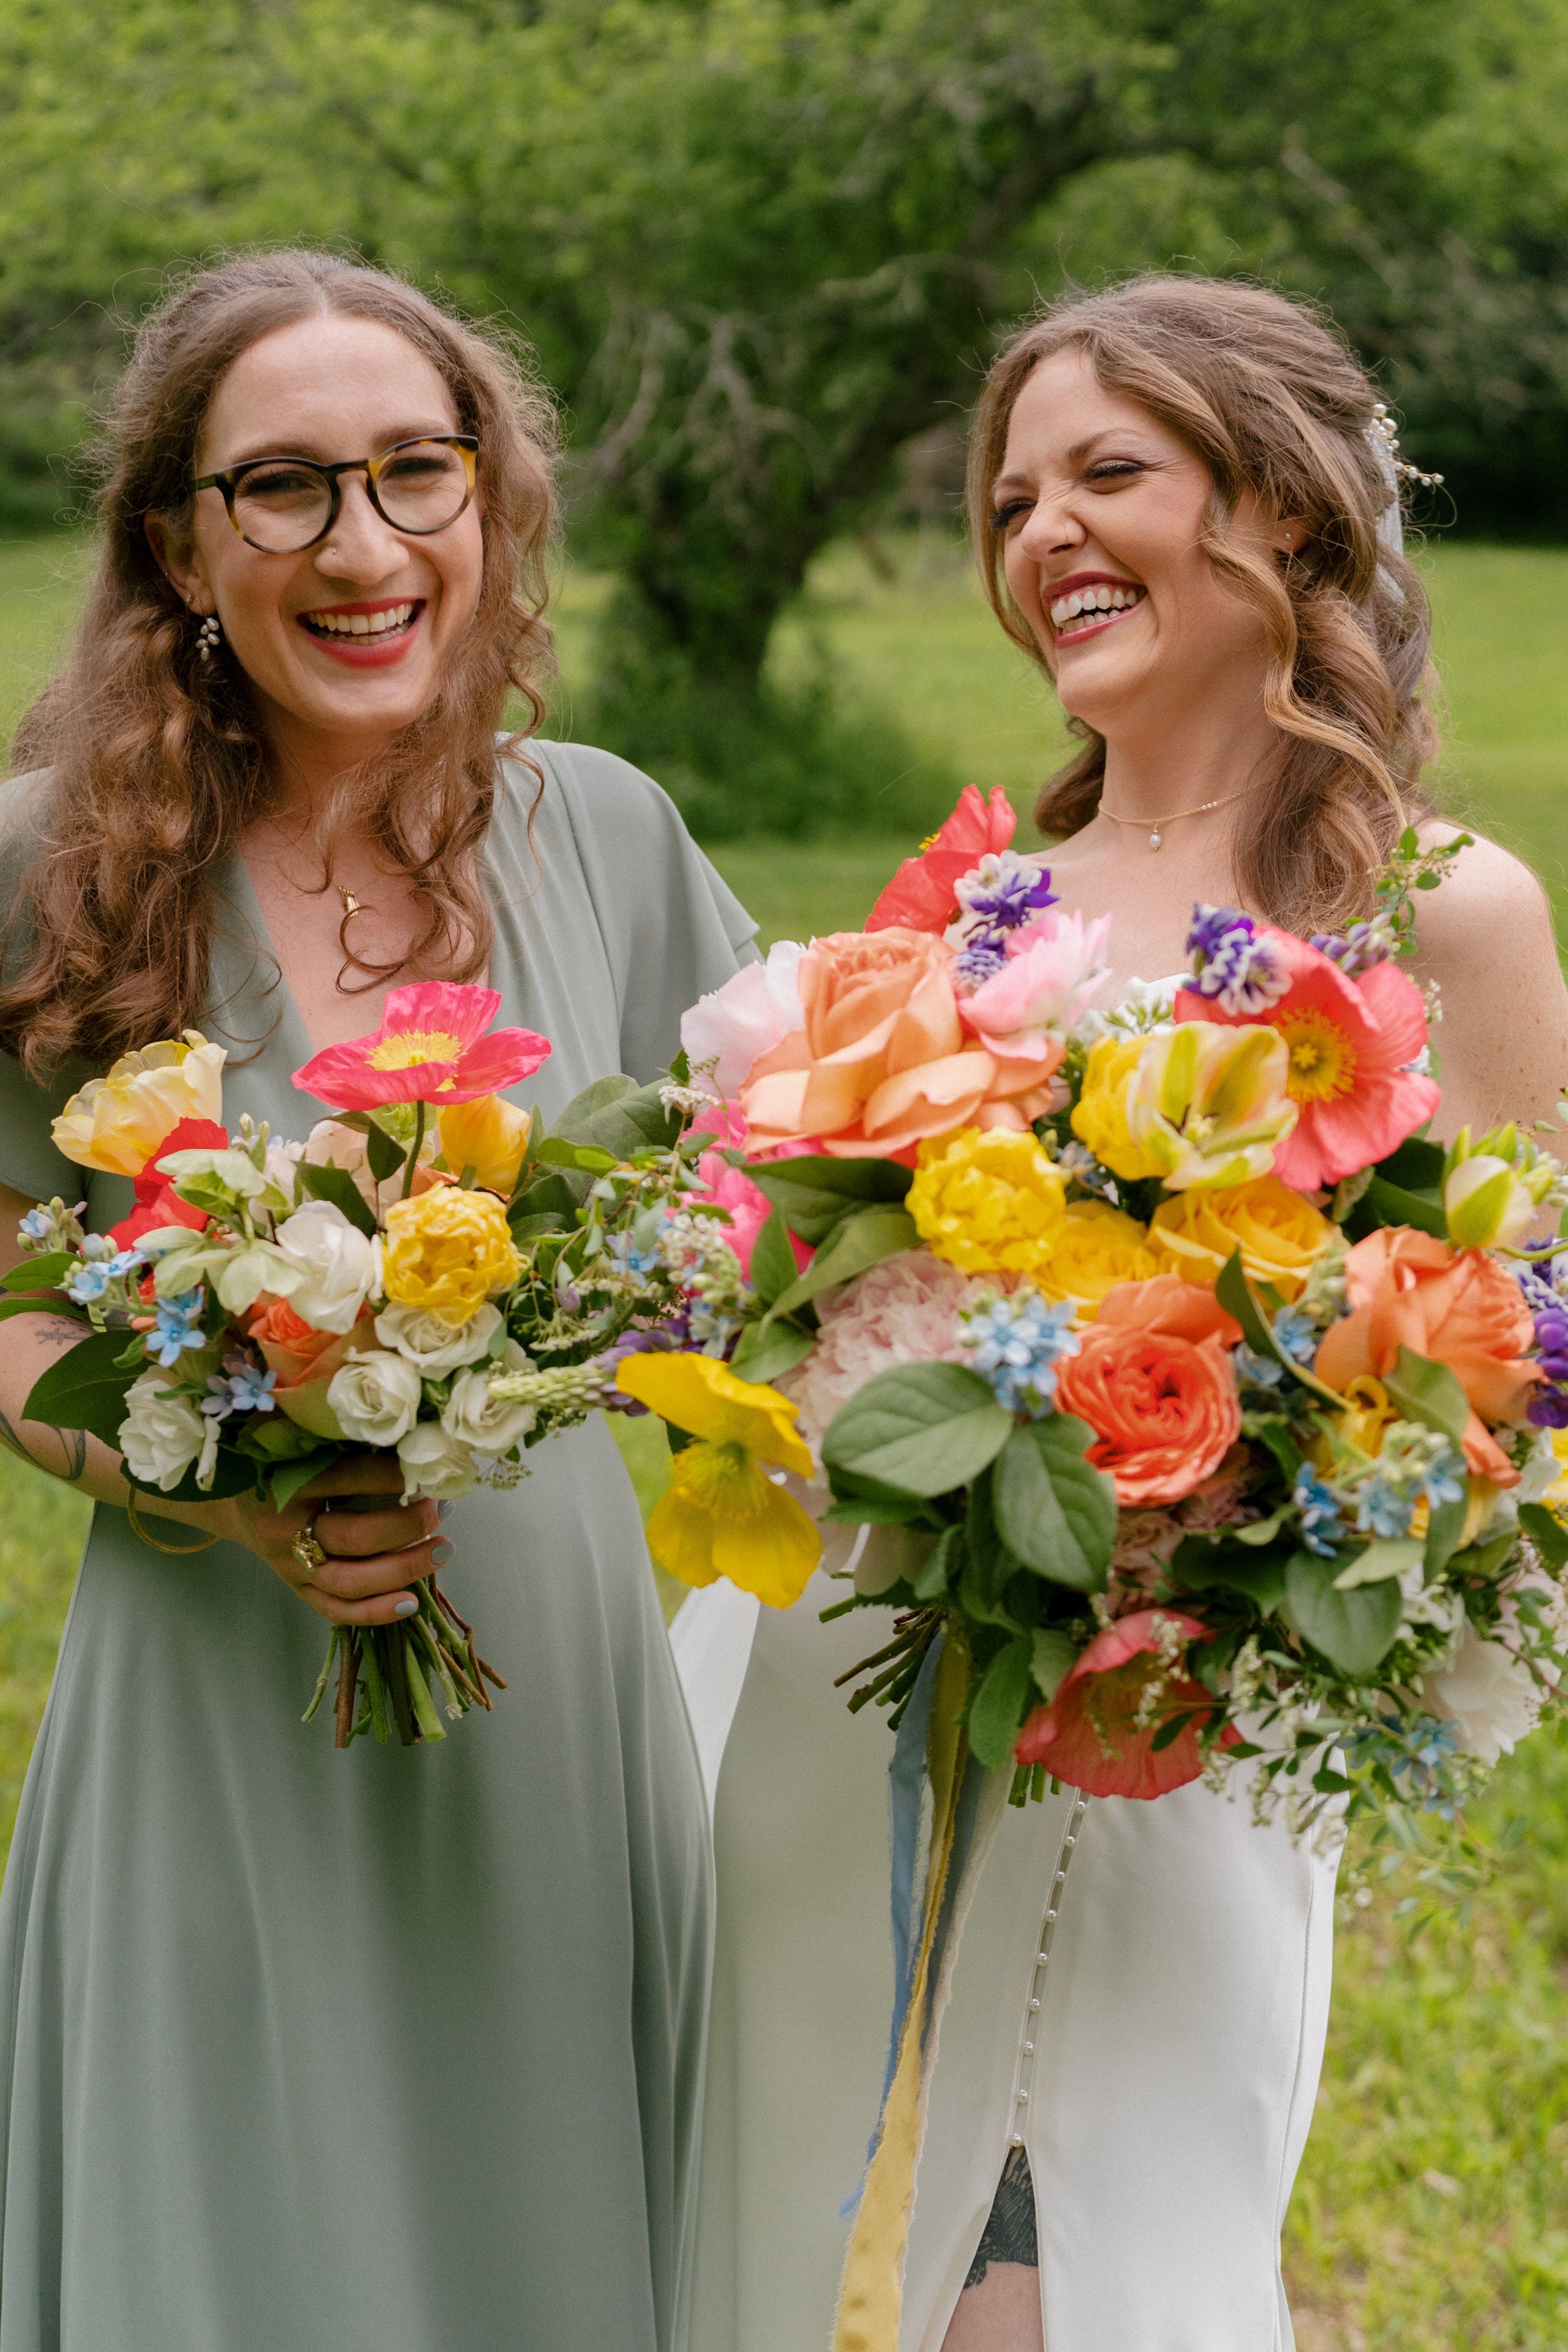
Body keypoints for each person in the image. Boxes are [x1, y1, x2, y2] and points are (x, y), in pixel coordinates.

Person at [687, 276, 1568, 2352]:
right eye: (1010, 502)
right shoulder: (980, 906)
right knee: (748, 2165)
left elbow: (1527, 1374)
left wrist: (1276, 1507)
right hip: (850, 1641)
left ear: (1280, 510)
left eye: (1109, 474)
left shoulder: (1440, 905)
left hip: (1188, 1715)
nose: (1042, 537)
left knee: (1067, 2275)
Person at [0, 250, 755, 2352]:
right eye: (285, 489)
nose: (365, 547)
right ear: (177, 543)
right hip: (216, 1702)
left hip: (555, 1705)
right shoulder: (49, 867)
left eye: (419, 472)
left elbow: (781, 1212)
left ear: (487, 502)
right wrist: (211, 1481)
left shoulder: (604, 831)